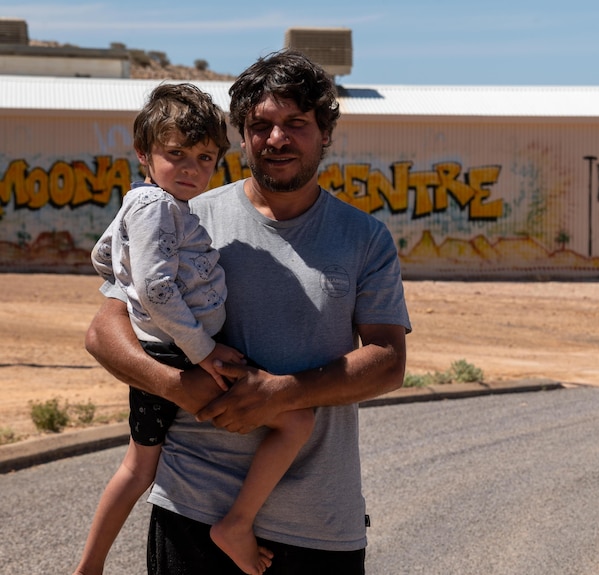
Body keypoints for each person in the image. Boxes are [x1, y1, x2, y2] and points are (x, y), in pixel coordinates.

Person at [84, 49, 411, 575]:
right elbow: (103, 332)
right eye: (260, 125)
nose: (277, 139)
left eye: (296, 124)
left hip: (320, 524)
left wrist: (282, 394)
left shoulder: (364, 238)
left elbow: (389, 362)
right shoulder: (185, 215)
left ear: (325, 132)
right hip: (191, 513)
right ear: (241, 135)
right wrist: (174, 386)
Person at [77, 82, 317, 575]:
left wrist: (121, 273)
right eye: (176, 154)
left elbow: (102, 254)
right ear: (144, 152)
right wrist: (203, 350)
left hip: (163, 349)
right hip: (178, 355)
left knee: (138, 465)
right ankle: (236, 523)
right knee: (296, 419)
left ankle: (90, 567)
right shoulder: (160, 208)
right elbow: (155, 289)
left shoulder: (138, 201)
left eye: (205, 157)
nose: (191, 169)